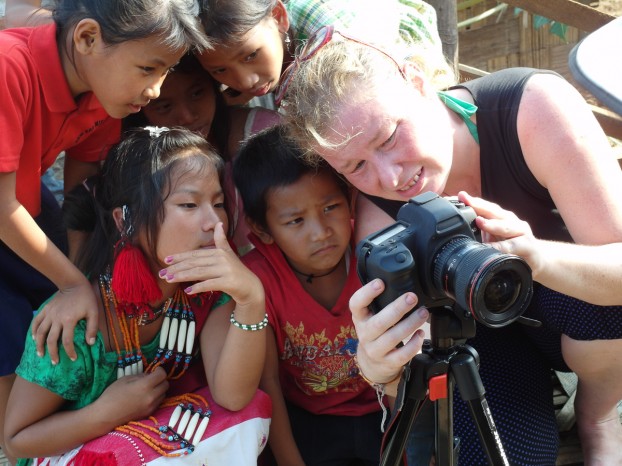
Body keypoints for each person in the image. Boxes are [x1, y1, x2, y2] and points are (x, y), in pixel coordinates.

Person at [279, 24, 622, 466]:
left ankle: (599, 416)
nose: (391, 178)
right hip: (476, 334)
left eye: (389, 137)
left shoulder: (531, 109)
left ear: (418, 82)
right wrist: (380, 365)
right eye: (356, 166)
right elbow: (414, 360)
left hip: (579, 313)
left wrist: (538, 258)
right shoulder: (377, 221)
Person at [0, 0, 209, 461]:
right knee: (15, 343)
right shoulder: (8, 67)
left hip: (22, 203)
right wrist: (73, 284)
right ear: (88, 38)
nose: (155, 90)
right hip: (7, 207)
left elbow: (82, 193)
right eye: (148, 69)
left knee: (64, 318)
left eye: (165, 71)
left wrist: (84, 280)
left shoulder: (102, 90)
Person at [3, 127, 269, 464]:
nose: (214, 222)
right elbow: (17, 441)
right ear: (125, 219)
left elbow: (233, 398)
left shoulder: (207, 292)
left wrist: (251, 299)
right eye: (189, 204)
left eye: (218, 204)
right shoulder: (77, 322)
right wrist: (106, 414)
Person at [233, 125, 384, 466]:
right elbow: (268, 381)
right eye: (296, 221)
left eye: (330, 207)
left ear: (350, 200)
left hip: (381, 408)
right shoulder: (258, 280)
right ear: (262, 229)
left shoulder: (374, 254)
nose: (320, 233)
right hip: (308, 421)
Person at [197, 0, 444, 107]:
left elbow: (381, 98)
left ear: (278, 17)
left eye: (251, 55)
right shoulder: (265, 44)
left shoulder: (335, 36)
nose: (245, 81)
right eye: (220, 70)